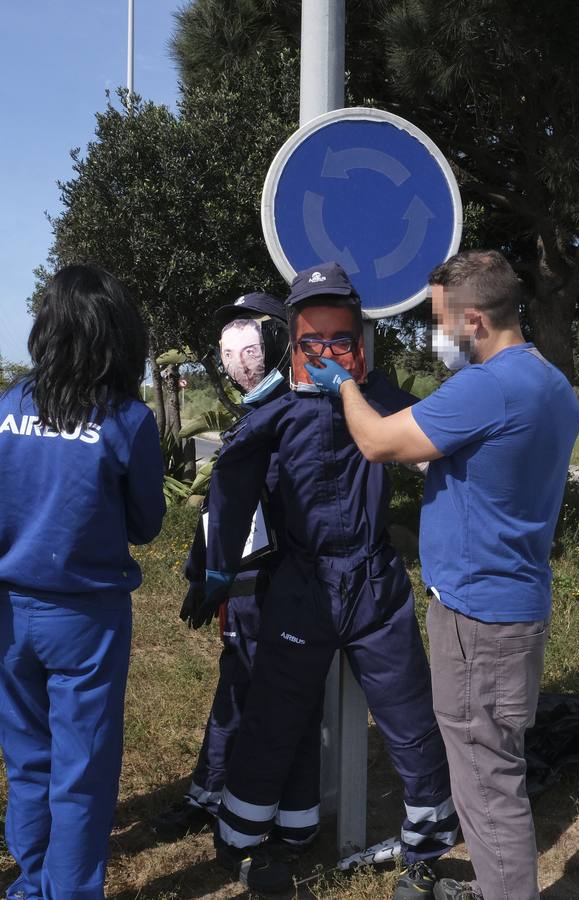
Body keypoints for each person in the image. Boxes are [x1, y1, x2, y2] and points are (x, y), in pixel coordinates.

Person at [308, 250, 579, 900]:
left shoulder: (487, 387)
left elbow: (375, 442)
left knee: (487, 785)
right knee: (491, 769)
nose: (440, 335)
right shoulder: (550, 384)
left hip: (476, 620)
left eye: (443, 321)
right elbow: (480, 470)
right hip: (514, 604)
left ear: (477, 320)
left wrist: (344, 383)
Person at [202, 262, 457, 898]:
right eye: (311, 341)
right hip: (301, 583)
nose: (326, 354)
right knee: (275, 716)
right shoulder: (273, 412)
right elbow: (229, 492)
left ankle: (427, 844)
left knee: (410, 714)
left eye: (338, 340)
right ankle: (250, 841)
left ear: (360, 341)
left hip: (373, 582)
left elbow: (451, 448)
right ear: (292, 341)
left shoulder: (387, 401)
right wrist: (211, 573)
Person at [0, 263, 166, 900]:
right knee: (80, 771)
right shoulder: (127, 421)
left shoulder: (1, 413)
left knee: (27, 763)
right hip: (85, 619)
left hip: (4, 614)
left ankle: (30, 886)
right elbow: (145, 523)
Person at [153, 292, 323, 850]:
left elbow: (246, 508)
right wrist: (204, 569)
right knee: (252, 691)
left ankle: (252, 809)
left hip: (279, 587)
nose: (236, 361)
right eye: (229, 352)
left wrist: (211, 573)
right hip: (252, 586)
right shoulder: (263, 414)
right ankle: (236, 801)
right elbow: (224, 509)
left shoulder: (291, 415)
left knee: (267, 697)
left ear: (276, 345)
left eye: (246, 349)